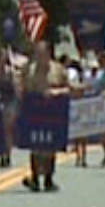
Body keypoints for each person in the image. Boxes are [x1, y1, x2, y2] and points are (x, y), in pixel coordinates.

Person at [20, 40, 68, 193]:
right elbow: (21, 89)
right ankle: (34, 177)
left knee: (50, 146)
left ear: (49, 53)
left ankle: (48, 178)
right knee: (35, 145)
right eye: (37, 53)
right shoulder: (29, 70)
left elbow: (68, 88)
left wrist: (56, 92)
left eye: (42, 53)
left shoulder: (58, 69)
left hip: (52, 111)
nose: (39, 56)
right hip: (34, 111)